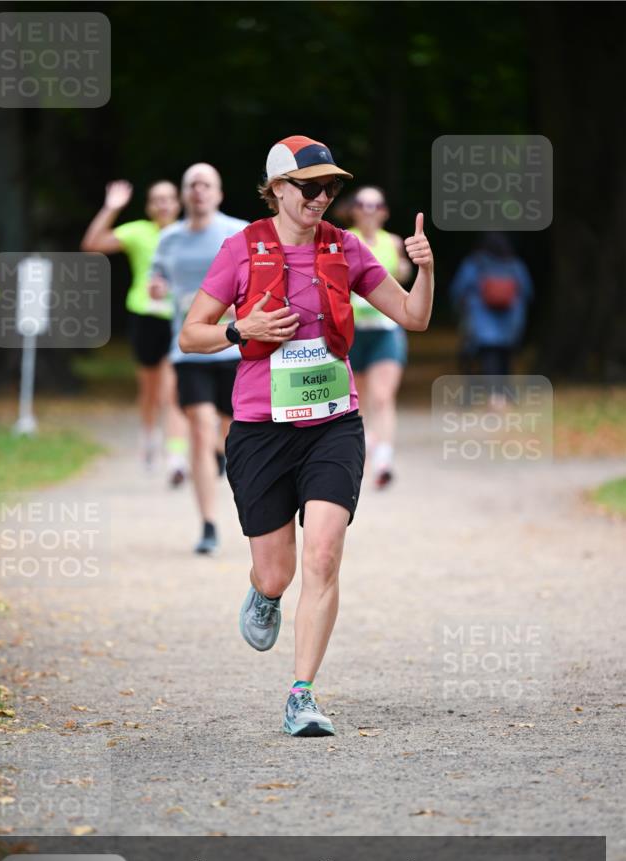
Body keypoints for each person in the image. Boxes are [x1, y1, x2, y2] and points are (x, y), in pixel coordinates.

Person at [182, 136, 433, 736]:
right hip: (261, 429)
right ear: (276, 189)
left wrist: (424, 269)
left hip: (332, 425)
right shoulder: (240, 249)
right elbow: (193, 335)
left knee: (323, 553)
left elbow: (414, 317)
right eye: (308, 186)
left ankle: (302, 694)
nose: (322, 197)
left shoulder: (345, 249)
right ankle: (263, 594)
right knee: (277, 573)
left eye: (330, 188)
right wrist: (242, 328)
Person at [150, 163, 248, 555]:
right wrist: (157, 288)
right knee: (200, 428)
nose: (199, 191)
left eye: (206, 184)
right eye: (192, 184)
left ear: (219, 193)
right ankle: (208, 523)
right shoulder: (169, 238)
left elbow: (259, 283)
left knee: (230, 431)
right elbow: (156, 279)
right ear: (184, 193)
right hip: (188, 347)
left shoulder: (237, 232)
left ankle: (222, 456)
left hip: (234, 346)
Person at [81, 180, 189, 483]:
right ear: (149, 206)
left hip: (177, 318)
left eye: (169, 199)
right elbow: (92, 244)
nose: (164, 205)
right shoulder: (139, 231)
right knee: (150, 391)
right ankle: (148, 434)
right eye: (157, 200)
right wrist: (111, 208)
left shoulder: (188, 233)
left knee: (172, 391)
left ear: (178, 204)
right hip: (144, 316)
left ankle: (177, 458)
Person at [346, 187, 412, 488]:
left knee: (383, 397)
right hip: (352, 333)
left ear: (384, 211)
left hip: (385, 332)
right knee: (357, 402)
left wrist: (407, 267)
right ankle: (360, 452)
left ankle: (383, 461)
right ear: (354, 210)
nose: (369, 210)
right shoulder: (343, 240)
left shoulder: (393, 243)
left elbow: (403, 276)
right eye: (363, 204)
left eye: (375, 205)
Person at [450, 233, 533, 403]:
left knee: (488, 359)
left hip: (481, 321)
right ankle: (505, 395)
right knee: (505, 359)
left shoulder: (475, 264)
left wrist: (461, 310)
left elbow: (458, 290)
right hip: (511, 322)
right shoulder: (514, 265)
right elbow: (527, 291)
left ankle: (494, 397)